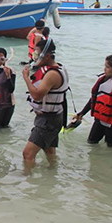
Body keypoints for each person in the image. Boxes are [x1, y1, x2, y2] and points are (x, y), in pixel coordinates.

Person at [22, 39, 69, 172]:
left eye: (36, 54)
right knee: (49, 150)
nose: (34, 57)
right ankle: (52, 175)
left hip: (48, 120)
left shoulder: (52, 74)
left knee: (27, 154)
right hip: (54, 117)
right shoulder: (58, 67)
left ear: (47, 56)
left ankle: (27, 180)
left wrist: (26, 78)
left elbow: (37, 95)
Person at [74, 54, 112, 147]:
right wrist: (82, 113)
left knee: (110, 150)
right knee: (91, 143)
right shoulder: (102, 80)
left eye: (107, 67)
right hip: (99, 121)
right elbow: (93, 99)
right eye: (105, 66)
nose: (104, 69)